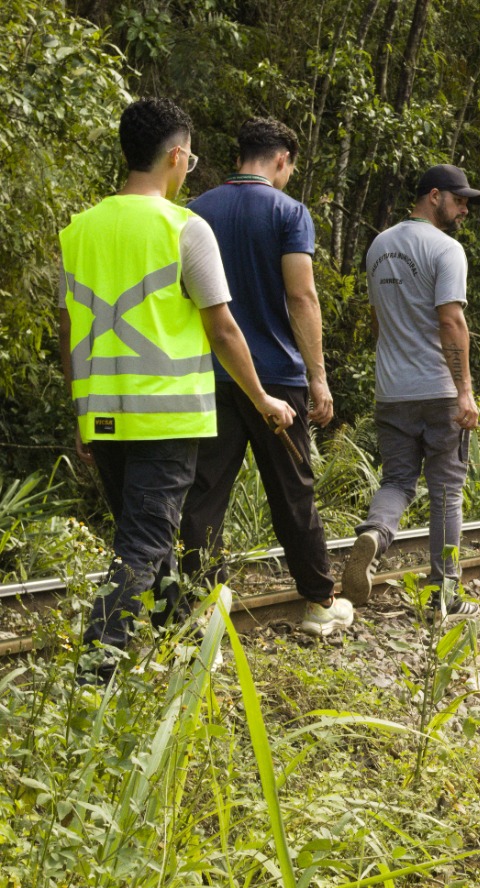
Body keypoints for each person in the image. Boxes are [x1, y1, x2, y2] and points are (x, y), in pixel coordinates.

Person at [59, 97, 295, 678]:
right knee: (142, 546)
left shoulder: (78, 230)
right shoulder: (186, 228)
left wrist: (81, 414)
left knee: (147, 541)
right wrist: (263, 398)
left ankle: (174, 649)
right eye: (190, 157)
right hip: (166, 419)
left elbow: (70, 331)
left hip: (106, 415)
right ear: (177, 155)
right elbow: (222, 327)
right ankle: (97, 674)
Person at [179, 117, 354, 637]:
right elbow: (301, 295)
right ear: (282, 159)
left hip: (209, 373)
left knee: (204, 493)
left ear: (241, 155)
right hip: (275, 377)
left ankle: (201, 606)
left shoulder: (193, 211)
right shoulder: (288, 211)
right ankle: (320, 601)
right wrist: (319, 378)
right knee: (291, 489)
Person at [343, 164, 480, 619]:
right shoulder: (447, 250)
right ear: (434, 196)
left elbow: (378, 318)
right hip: (438, 391)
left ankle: (375, 534)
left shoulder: (379, 247)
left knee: (397, 481)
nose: (464, 209)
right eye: (460, 200)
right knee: (446, 489)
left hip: (392, 390)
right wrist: (464, 391)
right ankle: (443, 595)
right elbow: (451, 321)